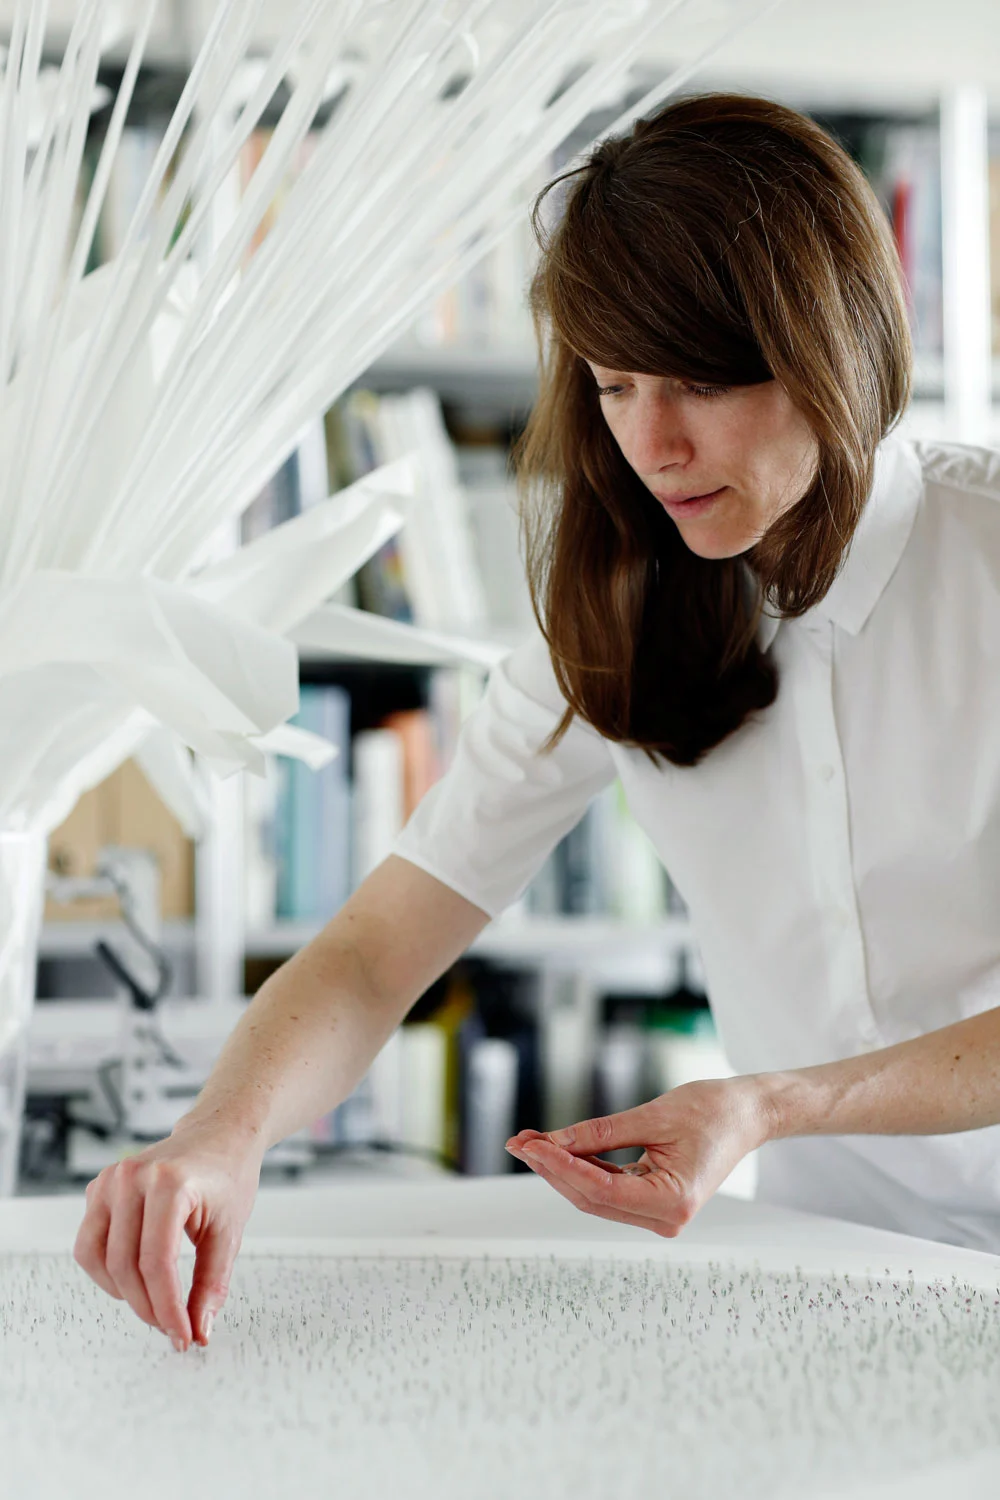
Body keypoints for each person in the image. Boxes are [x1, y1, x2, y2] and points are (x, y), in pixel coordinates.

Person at [75, 92, 1000, 1354]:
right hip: (845, 1282)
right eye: (614, 387)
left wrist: (768, 1106)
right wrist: (216, 1140)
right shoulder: (615, 619)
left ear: (835, 345)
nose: (652, 446)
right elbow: (369, 955)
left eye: (700, 381)